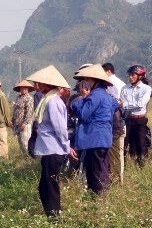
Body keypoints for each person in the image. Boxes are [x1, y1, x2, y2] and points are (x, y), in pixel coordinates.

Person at [26, 65, 70, 218]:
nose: (37, 86)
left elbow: (60, 129)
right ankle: (51, 214)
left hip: (54, 148)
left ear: (48, 85)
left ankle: (54, 217)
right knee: (44, 186)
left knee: (50, 185)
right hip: (48, 148)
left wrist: (66, 147)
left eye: (40, 83)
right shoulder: (47, 99)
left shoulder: (53, 102)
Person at [71, 64, 118, 194]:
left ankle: (98, 197)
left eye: (88, 79)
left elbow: (83, 114)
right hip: (103, 137)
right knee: (101, 168)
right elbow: (115, 105)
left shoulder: (95, 95)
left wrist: (83, 98)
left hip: (94, 138)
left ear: (96, 81)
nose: (85, 82)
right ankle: (100, 196)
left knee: (95, 172)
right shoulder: (106, 94)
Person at [119, 64, 152, 167]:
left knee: (141, 144)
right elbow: (122, 105)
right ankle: (122, 166)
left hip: (140, 119)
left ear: (140, 76)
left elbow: (141, 104)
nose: (130, 77)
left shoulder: (146, 88)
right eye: (129, 75)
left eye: (133, 75)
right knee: (123, 144)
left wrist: (125, 104)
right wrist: (125, 105)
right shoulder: (124, 88)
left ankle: (141, 166)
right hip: (127, 119)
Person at [12, 80, 35, 155]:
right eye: (21, 88)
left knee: (25, 141)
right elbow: (15, 110)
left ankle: (28, 156)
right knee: (20, 141)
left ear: (28, 89)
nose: (23, 89)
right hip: (17, 123)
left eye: (25, 88)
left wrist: (24, 123)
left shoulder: (29, 98)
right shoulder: (19, 97)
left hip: (24, 124)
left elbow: (29, 112)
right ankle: (23, 156)